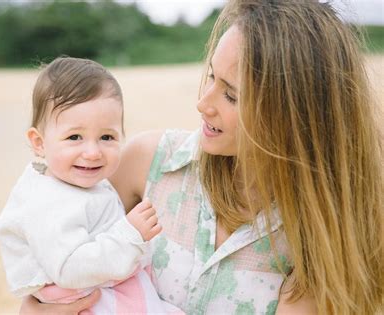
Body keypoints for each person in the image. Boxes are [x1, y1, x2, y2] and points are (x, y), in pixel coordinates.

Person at [20, 1, 383, 314]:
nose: (203, 103)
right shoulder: (147, 165)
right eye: (211, 77)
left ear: (293, 116)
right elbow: (53, 250)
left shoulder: (321, 241)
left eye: (231, 96)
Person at [0, 57, 183, 314]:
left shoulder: (79, 184)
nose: (93, 152)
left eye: (107, 137)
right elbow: (69, 269)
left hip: (104, 287)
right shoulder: (46, 202)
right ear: (39, 143)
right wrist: (130, 235)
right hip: (81, 295)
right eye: (75, 137)